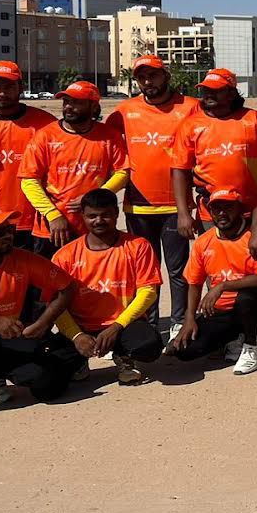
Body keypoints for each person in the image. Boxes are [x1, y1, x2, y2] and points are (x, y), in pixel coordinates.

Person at [106, 55, 201, 344]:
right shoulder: (125, 110)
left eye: (153, 75)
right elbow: (105, 145)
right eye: (141, 77)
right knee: (145, 272)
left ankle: (178, 322)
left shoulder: (190, 106)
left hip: (176, 206)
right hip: (137, 206)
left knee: (178, 269)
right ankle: (148, 325)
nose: (148, 82)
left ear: (166, 76)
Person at [51, 190, 162, 385]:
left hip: (122, 324)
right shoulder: (65, 255)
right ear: (83, 216)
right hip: (81, 326)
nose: (99, 221)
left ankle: (124, 357)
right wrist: (77, 336)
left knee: (149, 346)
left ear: (116, 214)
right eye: (92, 216)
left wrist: (117, 326)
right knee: (48, 370)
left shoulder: (138, 246)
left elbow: (148, 292)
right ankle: (79, 361)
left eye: (105, 215)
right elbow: (55, 302)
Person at [167, 188, 257, 374]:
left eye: (228, 208)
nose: (221, 213)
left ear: (240, 209)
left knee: (246, 298)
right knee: (183, 350)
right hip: (221, 311)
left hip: (253, 307)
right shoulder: (203, 242)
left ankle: (254, 346)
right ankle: (235, 338)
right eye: (216, 209)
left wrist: (223, 286)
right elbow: (194, 283)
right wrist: (189, 318)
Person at [18, 81, 128, 257]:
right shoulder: (45, 136)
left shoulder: (109, 136)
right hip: (53, 229)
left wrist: (96, 196)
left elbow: (122, 172)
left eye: (77, 102)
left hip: (94, 228)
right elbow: (29, 181)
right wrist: (53, 215)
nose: (69, 107)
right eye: (66, 101)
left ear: (93, 106)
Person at [171, 68, 257, 236]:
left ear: (231, 93)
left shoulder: (254, 119)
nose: (208, 94)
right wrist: (183, 213)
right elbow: (179, 170)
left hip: (252, 211)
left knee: (255, 251)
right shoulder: (190, 125)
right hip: (211, 212)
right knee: (213, 253)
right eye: (205, 90)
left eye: (215, 90)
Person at [0, 203, 79, 405]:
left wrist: (45, 322)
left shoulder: (22, 258)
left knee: (46, 386)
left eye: (10, 229)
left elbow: (67, 286)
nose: (8, 235)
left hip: (10, 336)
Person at [0, 60, 57, 251]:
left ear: (21, 87)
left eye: (9, 86)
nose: (2, 93)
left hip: (35, 220)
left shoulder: (46, 123)